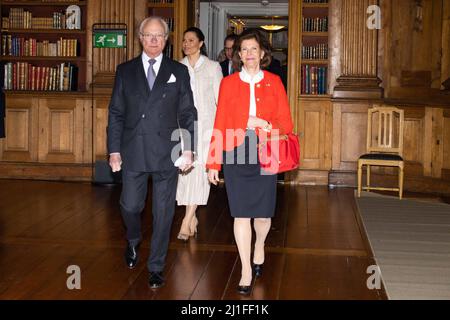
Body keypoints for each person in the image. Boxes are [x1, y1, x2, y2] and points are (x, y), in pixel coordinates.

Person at [107, 16, 197, 289]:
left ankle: (156, 265)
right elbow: (116, 113)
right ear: (140, 38)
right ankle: (133, 240)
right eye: (149, 36)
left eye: (159, 36)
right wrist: (113, 150)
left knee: (163, 212)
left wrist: (189, 148)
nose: (154, 40)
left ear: (167, 39)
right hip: (132, 150)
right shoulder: (125, 71)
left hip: (166, 152)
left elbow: (187, 113)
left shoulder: (178, 71)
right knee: (130, 206)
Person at [206, 30, 293, 295]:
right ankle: (245, 269)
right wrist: (213, 162)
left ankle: (259, 246)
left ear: (263, 53)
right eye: (243, 50)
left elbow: (286, 124)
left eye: (253, 49)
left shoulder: (275, 81)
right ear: (237, 55)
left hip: (266, 150)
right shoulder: (228, 84)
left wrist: (263, 124)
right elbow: (220, 123)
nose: (249, 54)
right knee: (241, 212)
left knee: (264, 214)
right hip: (235, 150)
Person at [176, 27, 223, 241]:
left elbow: (220, 101)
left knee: (200, 173)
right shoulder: (177, 68)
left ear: (201, 43)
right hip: (183, 127)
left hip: (207, 126)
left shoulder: (213, 67)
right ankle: (191, 216)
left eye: (191, 40)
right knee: (184, 173)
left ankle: (186, 220)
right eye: (184, 40)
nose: (187, 44)